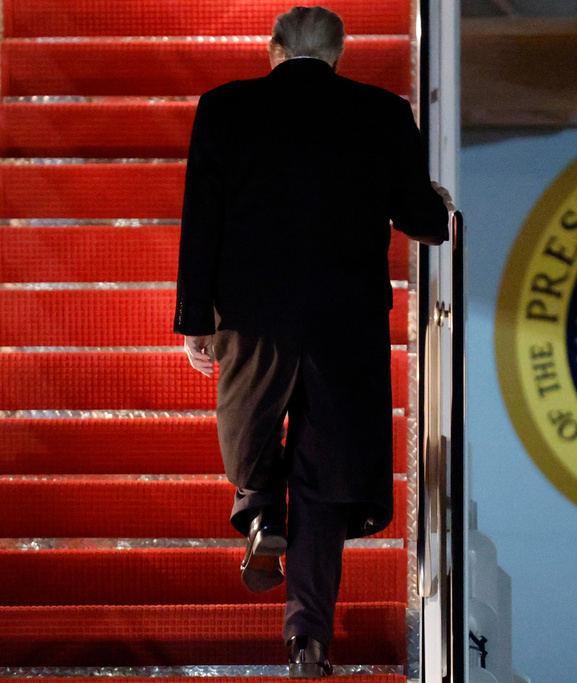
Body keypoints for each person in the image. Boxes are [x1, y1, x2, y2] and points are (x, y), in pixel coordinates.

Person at [173, 6, 451, 677]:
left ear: (273, 50)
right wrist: (435, 200)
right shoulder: (382, 112)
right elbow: (424, 222)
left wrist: (195, 319)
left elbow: (201, 216)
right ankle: (308, 639)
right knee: (325, 485)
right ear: (340, 53)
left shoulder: (224, 108)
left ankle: (262, 506)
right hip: (345, 322)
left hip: (253, 314)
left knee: (254, 426)